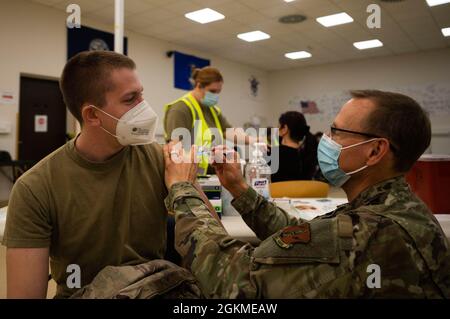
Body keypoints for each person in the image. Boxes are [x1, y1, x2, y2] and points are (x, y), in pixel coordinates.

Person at [163, 90, 449, 298]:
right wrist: (239, 188)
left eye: (336, 131)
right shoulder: (395, 207)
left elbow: (232, 282)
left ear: (375, 151)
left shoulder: (371, 233)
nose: (325, 139)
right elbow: (302, 237)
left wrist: (182, 188)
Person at [2, 51, 169, 298]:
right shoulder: (36, 188)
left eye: (141, 95)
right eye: (131, 99)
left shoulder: (159, 159)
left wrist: (186, 183)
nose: (144, 107)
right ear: (92, 115)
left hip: (156, 289)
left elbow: (207, 234)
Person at [164, 66, 260, 176]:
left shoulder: (213, 110)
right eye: (212, 91)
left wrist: (254, 140)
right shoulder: (181, 109)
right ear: (199, 85)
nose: (215, 96)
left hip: (211, 174)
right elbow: (175, 149)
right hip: (189, 175)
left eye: (218, 92)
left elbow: (228, 131)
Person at [271, 111, 318, 182]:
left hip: (279, 193)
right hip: (303, 193)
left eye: (278, 126)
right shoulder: (307, 153)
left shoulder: (274, 154)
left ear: (285, 129)